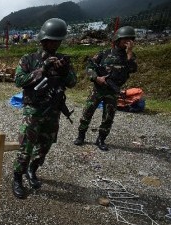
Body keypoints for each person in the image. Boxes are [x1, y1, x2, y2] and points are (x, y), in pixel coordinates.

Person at [12, 18, 77, 199]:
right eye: (51, 40)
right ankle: (17, 177)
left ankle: (32, 170)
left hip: (53, 111)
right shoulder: (29, 59)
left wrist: (65, 72)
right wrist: (42, 70)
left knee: (45, 146)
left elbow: (73, 82)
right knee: (26, 145)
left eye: (58, 41)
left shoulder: (63, 61)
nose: (55, 44)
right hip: (33, 110)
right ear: (43, 40)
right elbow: (19, 80)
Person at [73, 26, 137, 151]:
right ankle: (81, 136)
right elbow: (89, 67)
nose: (128, 42)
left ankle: (101, 139)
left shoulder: (130, 56)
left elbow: (133, 69)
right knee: (87, 112)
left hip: (113, 91)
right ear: (118, 39)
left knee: (108, 116)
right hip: (98, 89)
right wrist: (96, 78)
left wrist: (129, 54)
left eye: (130, 39)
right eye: (125, 39)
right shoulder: (104, 53)